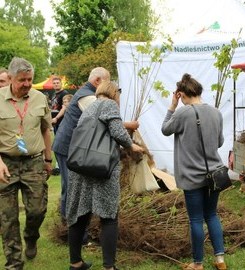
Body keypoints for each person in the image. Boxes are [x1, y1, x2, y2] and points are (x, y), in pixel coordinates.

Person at [66, 81, 144, 270]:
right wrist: (131, 145)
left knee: (80, 214)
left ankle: (75, 263)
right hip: (102, 167)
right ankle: (109, 267)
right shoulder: (108, 104)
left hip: (82, 166)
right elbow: (117, 132)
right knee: (109, 216)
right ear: (114, 93)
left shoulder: (90, 106)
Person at [161, 73, 227, 270]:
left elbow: (165, 129)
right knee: (212, 215)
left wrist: (172, 106)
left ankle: (198, 264)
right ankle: (220, 260)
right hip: (214, 174)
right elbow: (220, 142)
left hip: (191, 176)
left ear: (181, 94)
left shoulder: (183, 113)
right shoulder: (216, 112)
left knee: (196, 219)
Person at [0, 57, 53, 269]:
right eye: (22, 80)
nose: (27, 84)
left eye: (30, 79)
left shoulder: (40, 98)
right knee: (8, 218)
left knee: (37, 210)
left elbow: (45, 129)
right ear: (11, 78)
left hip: (33, 162)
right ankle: (14, 263)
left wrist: (48, 159)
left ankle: (31, 236)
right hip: (6, 164)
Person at [52, 67, 111, 220]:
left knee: (72, 186)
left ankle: (68, 222)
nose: (108, 87)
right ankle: (69, 225)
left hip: (71, 146)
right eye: (107, 82)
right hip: (66, 146)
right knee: (72, 186)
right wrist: (128, 125)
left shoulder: (88, 93)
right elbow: (104, 118)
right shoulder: (87, 97)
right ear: (97, 81)